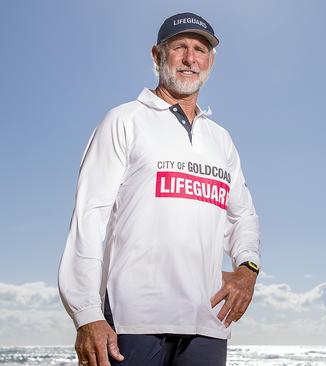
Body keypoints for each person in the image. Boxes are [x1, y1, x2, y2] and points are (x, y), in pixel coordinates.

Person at [58, 12, 261, 366]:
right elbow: (89, 218)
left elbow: (242, 214)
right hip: (132, 321)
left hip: (209, 324)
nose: (189, 58)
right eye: (179, 47)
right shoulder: (124, 120)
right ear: (157, 55)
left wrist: (247, 269)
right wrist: (87, 313)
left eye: (200, 49)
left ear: (210, 61)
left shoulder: (221, 140)